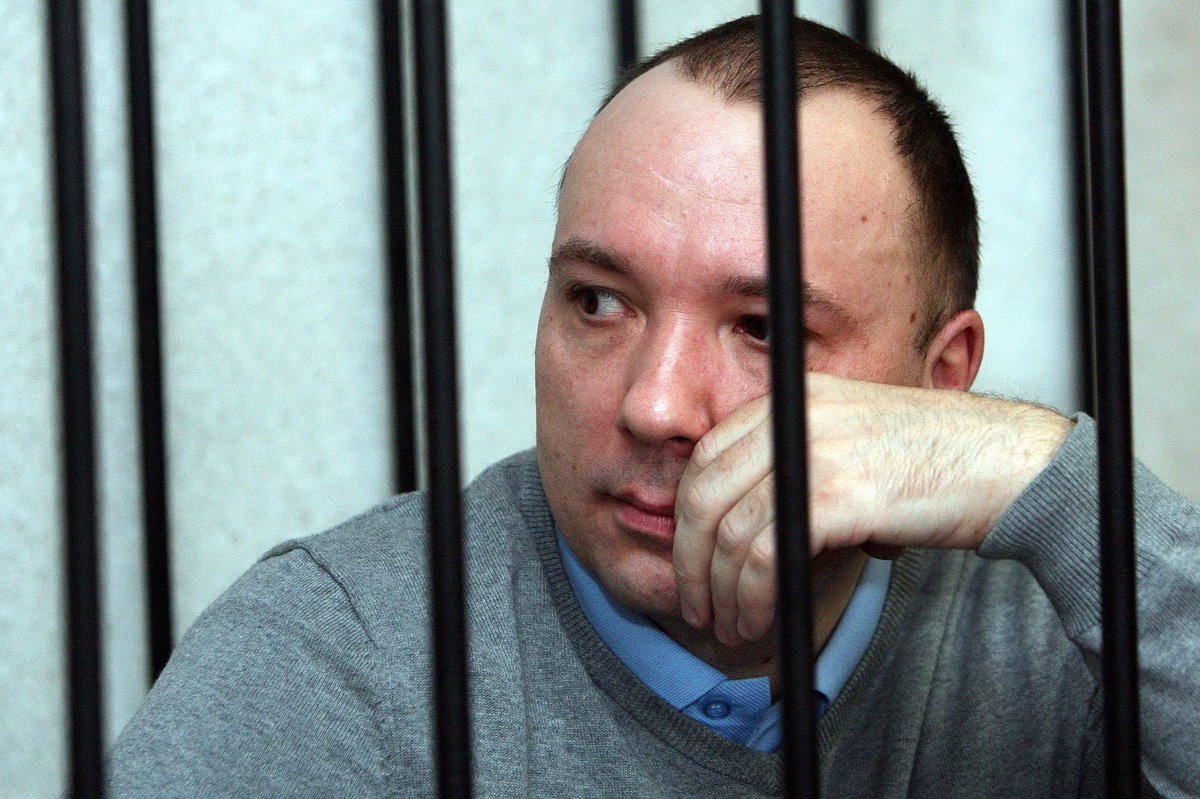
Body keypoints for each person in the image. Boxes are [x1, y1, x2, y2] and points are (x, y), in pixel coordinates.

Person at [108, 15, 1199, 799]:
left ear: (940, 379)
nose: (655, 402)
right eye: (599, 300)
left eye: (763, 327)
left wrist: (1053, 485)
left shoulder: (1068, 634)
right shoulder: (344, 654)